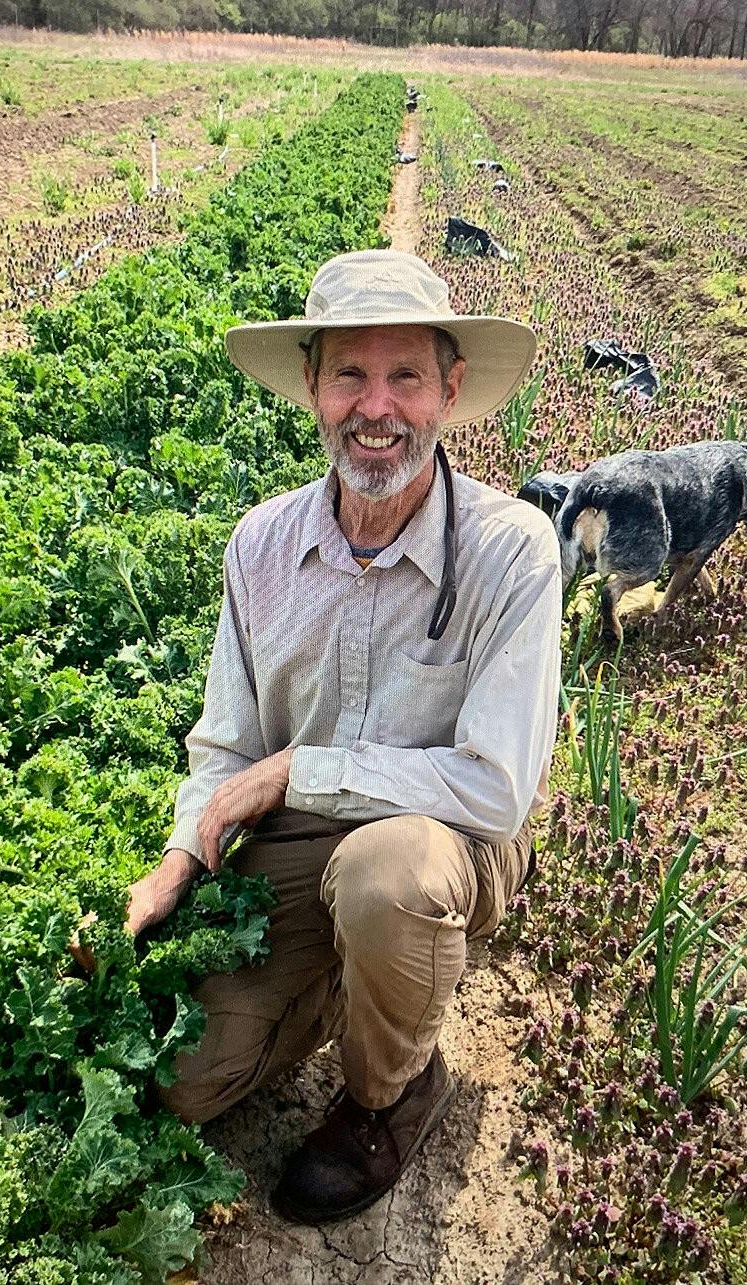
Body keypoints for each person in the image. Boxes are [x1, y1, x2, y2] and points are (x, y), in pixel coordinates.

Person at [124, 248, 562, 1224]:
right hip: (301, 838)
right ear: (313, 389)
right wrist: (176, 862)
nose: (377, 406)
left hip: (443, 841)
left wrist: (299, 769)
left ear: (448, 389)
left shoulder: (509, 551)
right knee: (186, 1084)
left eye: (405, 374)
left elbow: (493, 789)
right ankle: (355, 979)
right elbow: (226, 746)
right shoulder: (261, 545)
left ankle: (389, 1093)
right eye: (349, 375)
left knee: (384, 876)